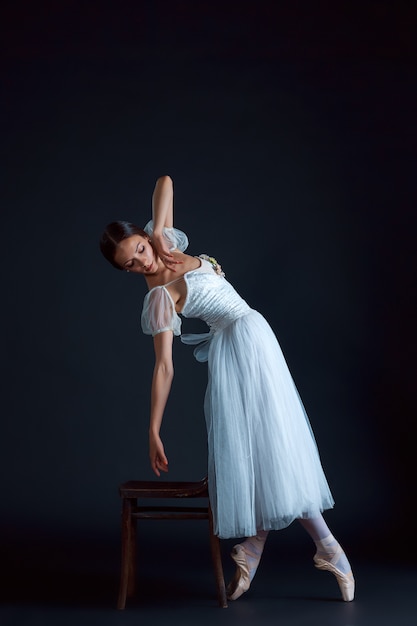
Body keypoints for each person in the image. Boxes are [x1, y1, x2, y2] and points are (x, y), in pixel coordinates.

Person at [100, 175, 355, 602]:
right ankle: (316, 549)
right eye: (129, 265)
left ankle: (262, 550)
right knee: (267, 448)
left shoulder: (163, 240)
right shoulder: (158, 296)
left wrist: (160, 232)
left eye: (140, 250)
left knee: (273, 445)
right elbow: (164, 366)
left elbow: (165, 182)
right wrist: (153, 429)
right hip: (236, 349)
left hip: (254, 335)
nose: (142, 263)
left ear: (144, 237)